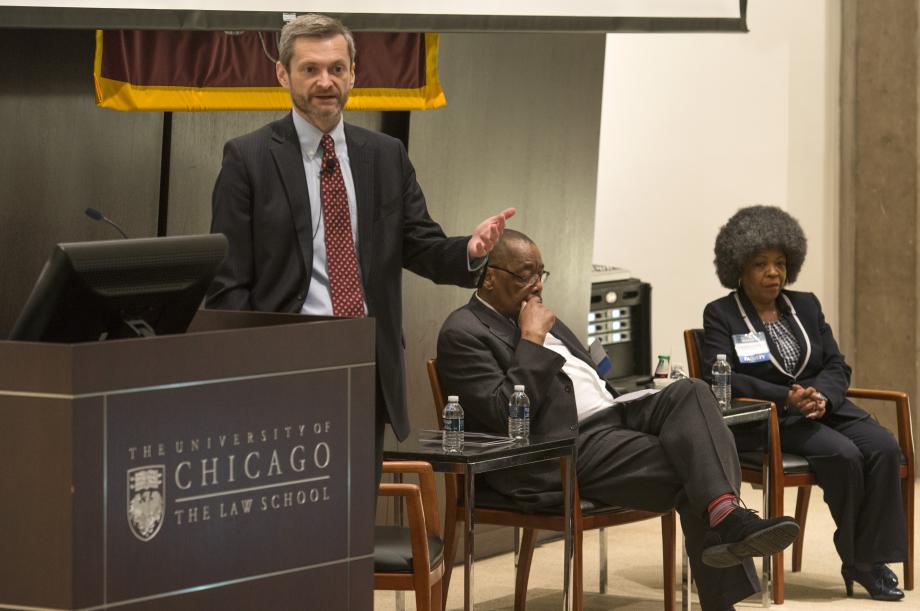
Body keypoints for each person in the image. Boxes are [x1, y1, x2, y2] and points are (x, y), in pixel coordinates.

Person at [206, 13, 515, 484]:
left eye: (336, 68)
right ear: (283, 74)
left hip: (365, 364)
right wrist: (251, 373)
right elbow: (228, 285)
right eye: (310, 69)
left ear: (354, 72)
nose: (325, 81)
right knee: (286, 509)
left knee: (353, 512)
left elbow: (422, 244)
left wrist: (470, 250)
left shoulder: (385, 155)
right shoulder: (247, 158)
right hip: (284, 366)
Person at [437, 229, 800, 611]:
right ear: (490, 276)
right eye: (525, 275)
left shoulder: (544, 319)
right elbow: (502, 414)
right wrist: (530, 341)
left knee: (692, 390)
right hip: (559, 448)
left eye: (542, 274)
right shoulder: (464, 332)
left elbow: (591, 379)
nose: (537, 286)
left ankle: (725, 514)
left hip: (614, 417)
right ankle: (726, 525)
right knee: (697, 463)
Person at [702, 205, 906, 601]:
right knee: (844, 455)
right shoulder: (722, 314)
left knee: (884, 447)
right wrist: (787, 396)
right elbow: (718, 373)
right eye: (761, 264)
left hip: (824, 408)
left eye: (780, 263)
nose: (773, 273)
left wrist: (823, 397)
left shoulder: (806, 305)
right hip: (775, 419)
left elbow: (835, 363)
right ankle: (861, 561)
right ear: (738, 267)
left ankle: (871, 556)